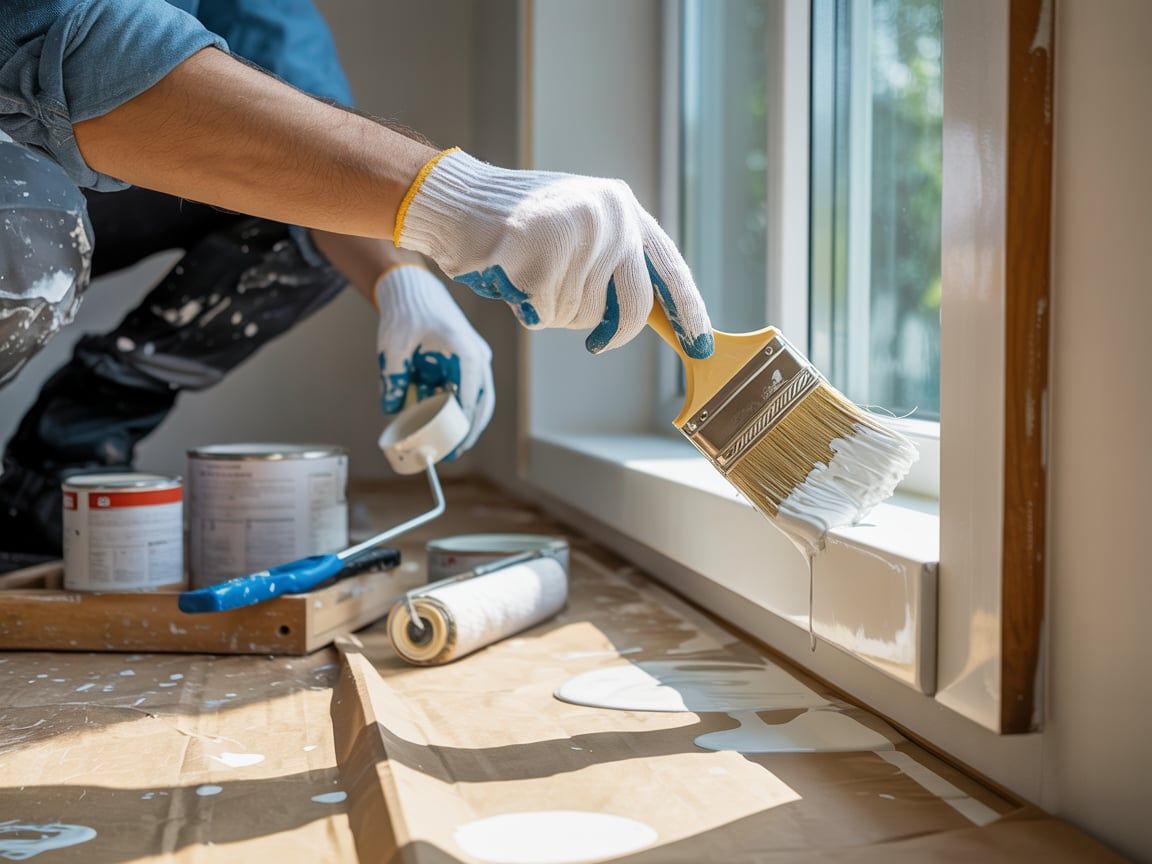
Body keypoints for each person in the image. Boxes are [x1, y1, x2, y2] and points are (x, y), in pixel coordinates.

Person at [0, 1, 714, 570]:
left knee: (313, 222)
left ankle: (51, 474)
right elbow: (54, 39)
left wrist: (407, 286)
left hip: (89, 173)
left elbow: (311, 127)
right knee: (24, 226)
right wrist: (466, 200)